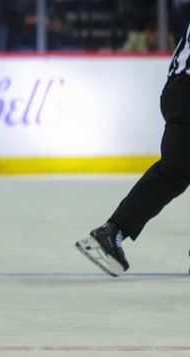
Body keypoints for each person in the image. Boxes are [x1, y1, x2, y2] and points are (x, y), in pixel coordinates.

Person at [76, 15, 190, 276]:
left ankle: (113, 231)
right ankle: (112, 231)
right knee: (174, 172)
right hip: (186, 91)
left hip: (179, 90)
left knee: (175, 172)